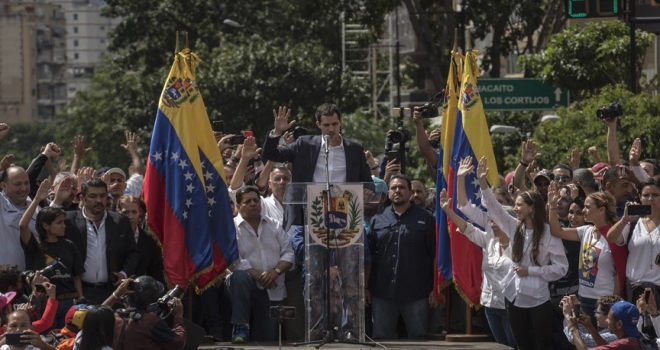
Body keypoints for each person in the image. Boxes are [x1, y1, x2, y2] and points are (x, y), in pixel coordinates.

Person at [478, 156, 568, 350]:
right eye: (515, 204)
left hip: (538, 299)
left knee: (541, 344)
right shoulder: (513, 226)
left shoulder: (549, 233)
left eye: (519, 205)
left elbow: (561, 268)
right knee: (521, 344)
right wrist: (483, 182)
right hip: (513, 296)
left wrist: (532, 271)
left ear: (532, 208)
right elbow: (494, 208)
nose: (515, 208)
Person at [261, 104, 373, 232]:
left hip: (344, 215)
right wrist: (277, 132)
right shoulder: (304, 144)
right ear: (318, 124)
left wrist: (367, 190)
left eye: (335, 124)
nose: (331, 129)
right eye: (326, 125)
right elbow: (270, 154)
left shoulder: (354, 149)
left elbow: (368, 182)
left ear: (340, 122)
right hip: (308, 216)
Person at [440, 168, 516, 348]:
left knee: (514, 346)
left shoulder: (521, 243)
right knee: (500, 346)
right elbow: (468, 228)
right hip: (490, 305)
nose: (495, 212)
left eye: (500, 205)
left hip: (511, 306)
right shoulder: (489, 239)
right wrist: (447, 210)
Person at [368, 175, 435, 339]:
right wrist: (365, 288)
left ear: (410, 192)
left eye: (402, 187)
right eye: (393, 188)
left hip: (416, 293)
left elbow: (435, 255)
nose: (397, 190)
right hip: (382, 292)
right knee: (382, 340)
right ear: (388, 193)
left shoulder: (426, 218)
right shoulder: (377, 219)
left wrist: (435, 288)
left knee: (418, 339)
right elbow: (368, 257)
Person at [226, 186, 294, 343]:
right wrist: (258, 275)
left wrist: (275, 272)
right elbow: (233, 259)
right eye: (247, 201)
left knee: (266, 340)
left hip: (273, 286)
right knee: (239, 277)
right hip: (246, 286)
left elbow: (289, 253)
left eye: (256, 200)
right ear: (238, 206)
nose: (253, 204)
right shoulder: (231, 227)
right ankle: (240, 326)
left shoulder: (275, 225)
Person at [548, 183, 620, 322]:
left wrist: (613, 302)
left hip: (604, 300)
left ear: (601, 210)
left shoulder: (615, 234)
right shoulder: (586, 230)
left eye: (587, 207)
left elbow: (619, 272)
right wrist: (552, 206)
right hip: (584, 297)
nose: (584, 210)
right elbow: (556, 231)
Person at [20, 180, 84, 329]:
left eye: (64, 222)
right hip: (46, 303)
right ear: (45, 225)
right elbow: (23, 225)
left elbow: (76, 275)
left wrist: (80, 297)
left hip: (70, 302)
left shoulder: (69, 245)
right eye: (59, 223)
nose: (64, 226)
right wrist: (36, 200)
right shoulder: (35, 245)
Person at [64, 178, 139, 304]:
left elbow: (133, 253)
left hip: (111, 291)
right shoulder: (69, 221)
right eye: (93, 196)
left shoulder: (120, 222)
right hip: (81, 292)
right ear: (82, 198)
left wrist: (123, 273)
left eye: (102, 196)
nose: (98, 201)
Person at [607, 178, 660, 303]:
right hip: (635, 289)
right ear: (640, 198)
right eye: (646, 195)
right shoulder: (633, 223)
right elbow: (611, 237)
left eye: (656, 195)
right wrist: (625, 219)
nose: (650, 199)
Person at [103, 277, 186, 350]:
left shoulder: (115, 318)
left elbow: (96, 314)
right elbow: (178, 343)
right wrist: (178, 316)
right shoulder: (151, 322)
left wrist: (116, 294)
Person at [116, 196, 163, 283]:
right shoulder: (112, 235)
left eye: (134, 212)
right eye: (126, 212)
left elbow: (155, 269)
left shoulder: (148, 239)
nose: (130, 216)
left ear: (139, 213)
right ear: (118, 212)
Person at [568, 301, 642, 350]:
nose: (607, 321)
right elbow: (606, 347)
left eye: (609, 318)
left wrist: (574, 328)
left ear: (619, 324)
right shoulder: (638, 338)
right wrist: (590, 327)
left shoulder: (625, 344)